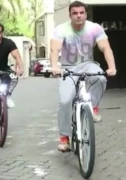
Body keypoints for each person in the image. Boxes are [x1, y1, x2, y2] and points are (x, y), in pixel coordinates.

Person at [50, 1, 117, 151]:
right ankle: (64, 137)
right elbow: (54, 50)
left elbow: (106, 48)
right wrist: (55, 67)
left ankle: (93, 106)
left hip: (88, 64)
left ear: (86, 14)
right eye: (75, 13)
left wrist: (112, 67)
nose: (78, 16)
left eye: (81, 13)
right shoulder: (61, 30)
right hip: (67, 68)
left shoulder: (94, 28)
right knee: (66, 101)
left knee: (100, 78)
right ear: (70, 15)